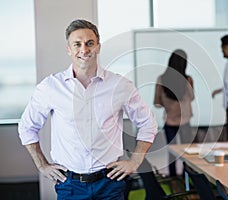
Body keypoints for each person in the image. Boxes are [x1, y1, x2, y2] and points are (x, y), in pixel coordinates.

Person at [18, 19, 158, 200]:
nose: (84, 50)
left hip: (110, 183)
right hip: (69, 185)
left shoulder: (120, 85)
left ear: (98, 47)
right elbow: (26, 127)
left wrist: (135, 161)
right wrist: (42, 165)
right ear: (69, 49)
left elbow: (148, 123)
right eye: (77, 44)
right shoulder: (51, 87)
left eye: (89, 43)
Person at [154, 49, 194, 177]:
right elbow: (192, 97)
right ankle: (187, 179)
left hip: (169, 120)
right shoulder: (188, 80)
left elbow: (157, 102)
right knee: (187, 153)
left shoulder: (161, 79)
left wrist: (167, 102)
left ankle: (173, 179)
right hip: (185, 120)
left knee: (171, 152)